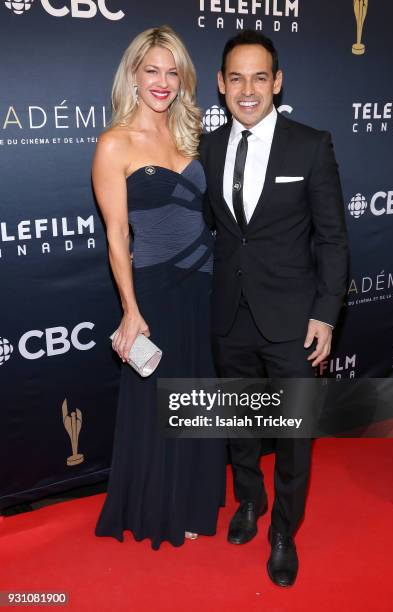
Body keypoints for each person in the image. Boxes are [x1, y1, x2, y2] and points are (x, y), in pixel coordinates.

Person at [200, 30, 348, 586]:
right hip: (230, 313)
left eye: (259, 77)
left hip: (293, 321)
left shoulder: (311, 144)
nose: (247, 90)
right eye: (235, 77)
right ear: (220, 84)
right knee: (240, 421)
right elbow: (218, 233)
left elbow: (332, 239)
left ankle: (284, 529)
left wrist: (326, 313)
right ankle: (249, 501)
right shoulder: (208, 148)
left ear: (277, 82)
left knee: (291, 435)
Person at [92, 25, 225, 550]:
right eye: (152, 70)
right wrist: (130, 309)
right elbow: (117, 235)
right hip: (155, 289)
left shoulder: (189, 137)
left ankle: (192, 498)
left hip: (204, 284)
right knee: (159, 401)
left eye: (173, 72)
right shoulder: (113, 143)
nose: (163, 82)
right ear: (134, 74)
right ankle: (161, 505)